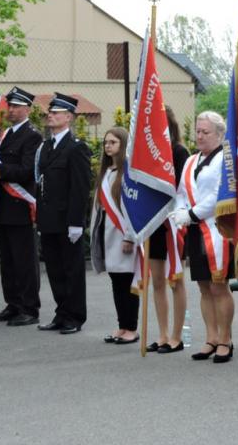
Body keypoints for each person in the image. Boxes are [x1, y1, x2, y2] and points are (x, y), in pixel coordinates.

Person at [172, 111, 235, 364]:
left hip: (217, 230)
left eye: (205, 132)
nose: (199, 136)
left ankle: (225, 340)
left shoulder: (225, 159)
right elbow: (181, 191)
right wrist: (181, 211)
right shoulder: (191, 160)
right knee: (203, 286)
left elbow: (220, 194)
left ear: (220, 134)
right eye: (197, 131)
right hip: (195, 229)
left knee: (219, 286)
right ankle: (211, 338)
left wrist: (191, 214)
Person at [36, 93, 92, 335]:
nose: (50, 115)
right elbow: (42, 184)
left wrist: (76, 222)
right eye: (50, 112)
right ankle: (61, 313)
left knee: (72, 270)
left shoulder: (76, 147)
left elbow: (80, 188)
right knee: (55, 270)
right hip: (49, 219)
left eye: (56, 112)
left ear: (68, 117)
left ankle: (75, 316)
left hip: (67, 220)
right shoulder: (46, 146)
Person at [0, 87, 42, 327]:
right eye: (9, 106)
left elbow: (27, 170)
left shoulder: (32, 136)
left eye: (16, 106)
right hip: (2, 206)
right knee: (8, 261)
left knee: (24, 261)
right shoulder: (5, 135)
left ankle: (29, 308)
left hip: (20, 206)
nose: (11, 110)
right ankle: (13, 304)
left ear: (27, 109)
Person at [145, 106, 190, 354]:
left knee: (176, 281)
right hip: (153, 222)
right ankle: (162, 334)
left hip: (172, 224)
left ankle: (177, 335)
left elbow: (183, 188)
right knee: (157, 282)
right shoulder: (145, 153)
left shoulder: (179, 151)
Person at [90, 127, 140, 344]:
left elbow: (132, 208)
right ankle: (122, 325)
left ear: (123, 145)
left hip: (122, 233)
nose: (108, 146)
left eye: (113, 142)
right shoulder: (106, 171)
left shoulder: (128, 172)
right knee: (116, 282)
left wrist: (129, 236)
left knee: (127, 282)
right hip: (106, 231)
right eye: (106, 142)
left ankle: (132, 328)